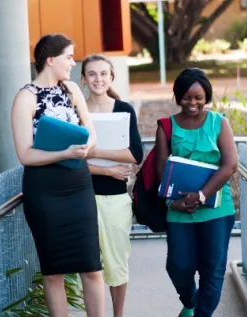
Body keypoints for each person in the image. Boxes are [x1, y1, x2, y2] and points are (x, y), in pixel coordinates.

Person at [10, 34, 105, 317]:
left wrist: (87, 145)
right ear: (50, 59)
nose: (73, 63)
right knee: (53, 273)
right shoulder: (25, 98)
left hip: (78, 185)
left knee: (93, 267)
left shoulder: (72, 89)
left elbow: (91, 131)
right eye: (69, 57)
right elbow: (25, 154)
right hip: (45, 191)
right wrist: (64, 153)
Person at [154, 68, 238, 317]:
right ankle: (190, 301)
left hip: (215, 209)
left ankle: (202, 314)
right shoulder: (167, 126)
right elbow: (162, 172)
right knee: (178, 266)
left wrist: (201, 195)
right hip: (179, 210)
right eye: (186, 97)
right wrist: (173, 203)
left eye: (198, 97)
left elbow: (230, 164)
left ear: (207, 97)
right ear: (177, 96)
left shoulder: (218, 123)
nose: (193, 103)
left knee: (213, 269)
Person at [81, 54, 143, 317]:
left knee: (117, 264)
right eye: (92, 74)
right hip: (82, 197)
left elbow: (136, 154)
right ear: (83, 79)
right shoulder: (76, 112)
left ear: (111, 77)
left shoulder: (124, 110)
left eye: (103, 74)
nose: (98, 79)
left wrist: (93, 151)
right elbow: (70, 160)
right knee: (88, 264)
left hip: (116, 199)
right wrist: (105, 168)